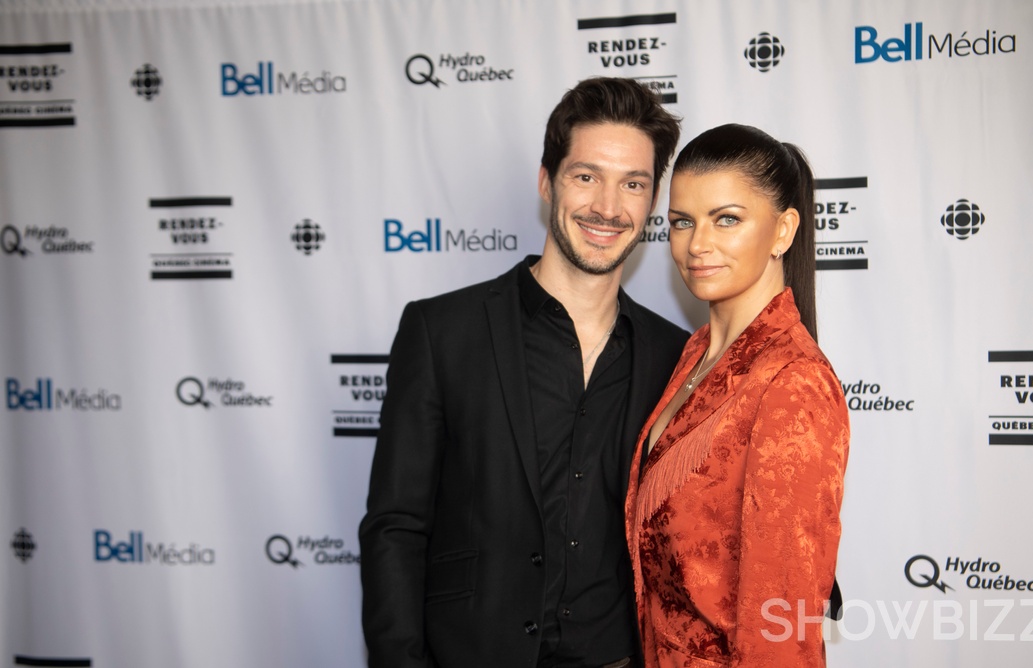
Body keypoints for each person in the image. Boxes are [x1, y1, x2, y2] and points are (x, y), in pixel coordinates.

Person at [359, 77, 686, 668]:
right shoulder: (442, 333)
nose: (608, 208)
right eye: (586, 176)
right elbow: (396, 528)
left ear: (653, 200)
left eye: (632, 184)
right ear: (546, 181)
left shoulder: (676, 357)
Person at [624, 124, 850, 667]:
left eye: (727, 219)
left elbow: (781, 624)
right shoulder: (695, 355)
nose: (697, 244)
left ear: (782, 231)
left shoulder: (793, 384)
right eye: (682, 222)